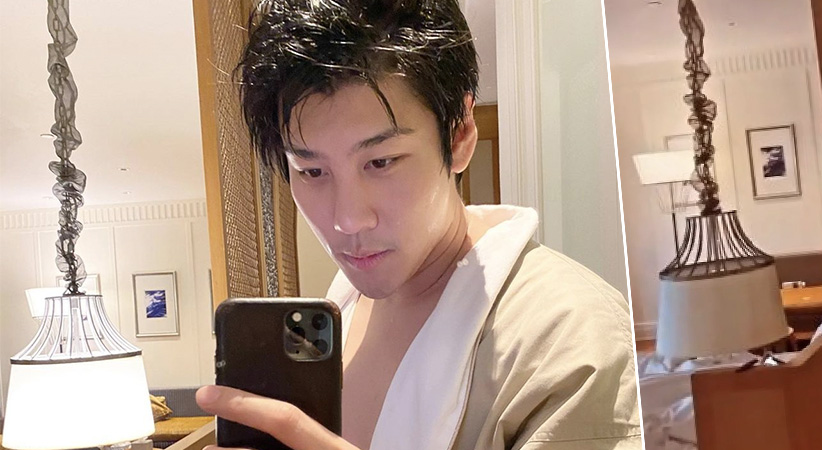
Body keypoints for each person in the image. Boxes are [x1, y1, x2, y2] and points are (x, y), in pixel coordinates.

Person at [194, 1, 643, 449]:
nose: (348, 220)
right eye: (311, 171)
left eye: (381, 162)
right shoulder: (336, 316)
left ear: (460, 135)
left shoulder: (571, 342)